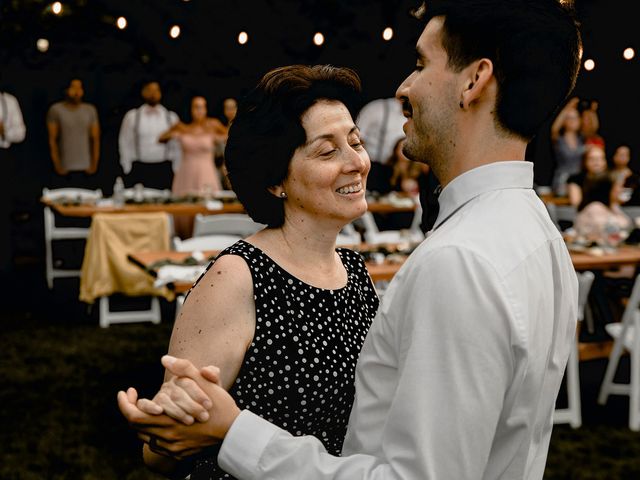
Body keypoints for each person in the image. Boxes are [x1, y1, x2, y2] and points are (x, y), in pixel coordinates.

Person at [119, 1, 582, 478]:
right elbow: (165, 440)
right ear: (276, 178)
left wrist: (235, 431)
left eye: (422, 64)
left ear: (474, 81)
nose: (404, 86)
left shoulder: (450, 263)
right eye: (326, 149)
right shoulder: (538, 233)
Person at [119, 65, 378, 478]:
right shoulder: (238, 277)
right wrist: (168, 415)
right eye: (328, 151)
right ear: (277, 181)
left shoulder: (354, 271)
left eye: (355, 142)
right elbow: (160, 454)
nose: (357, 162)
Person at [159, 95, 226, 237]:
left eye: (202, 107)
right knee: (184, 209)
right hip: (185, 174)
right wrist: (175, 134)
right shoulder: (182, 127)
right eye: (196, 107)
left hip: (206, 172)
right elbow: (161, 138)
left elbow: (232, 135)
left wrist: (218, 138)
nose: (199, 111)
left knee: (207, 207)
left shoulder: (213, 125)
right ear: (190, 109)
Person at [118, 80, 181, 189]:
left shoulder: (171, 117)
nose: (153, 93)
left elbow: (177, 145)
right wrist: (126, 166)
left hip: (164, 168)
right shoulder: (132, 116)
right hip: (140, 168)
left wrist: (176, 168)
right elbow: (124, 142)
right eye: (149, 90)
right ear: (143, 93)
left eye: (156, 90)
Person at [46, 78, 100, 186]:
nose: (76, 92)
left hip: (86, 166)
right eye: (73, 88)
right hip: (65, 166)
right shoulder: (56, 110)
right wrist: (57, 164)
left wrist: (95, 163)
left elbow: (95, 138)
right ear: (66, 90)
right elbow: (52, 139)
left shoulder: (90, 110)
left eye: (79, 88)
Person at [0, 84, 26, 284]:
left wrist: (4, 131)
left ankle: (5, 264)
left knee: (3, 211)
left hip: (3, 157)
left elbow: (20, 133)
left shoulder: (8, 101)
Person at [550, 96, 584, 196]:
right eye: (569, 118)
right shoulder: (559, 139)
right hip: (563, 180)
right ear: (564, 121)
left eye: (575, 117)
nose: (573, 120)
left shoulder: (581, 139)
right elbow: (554, 128)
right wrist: (567, 108)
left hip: (579, 179)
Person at [356, 96, 406, 164]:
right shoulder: (377, 108)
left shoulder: (415, 114)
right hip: (373, 164)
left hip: (397, 168)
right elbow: (357, 136)